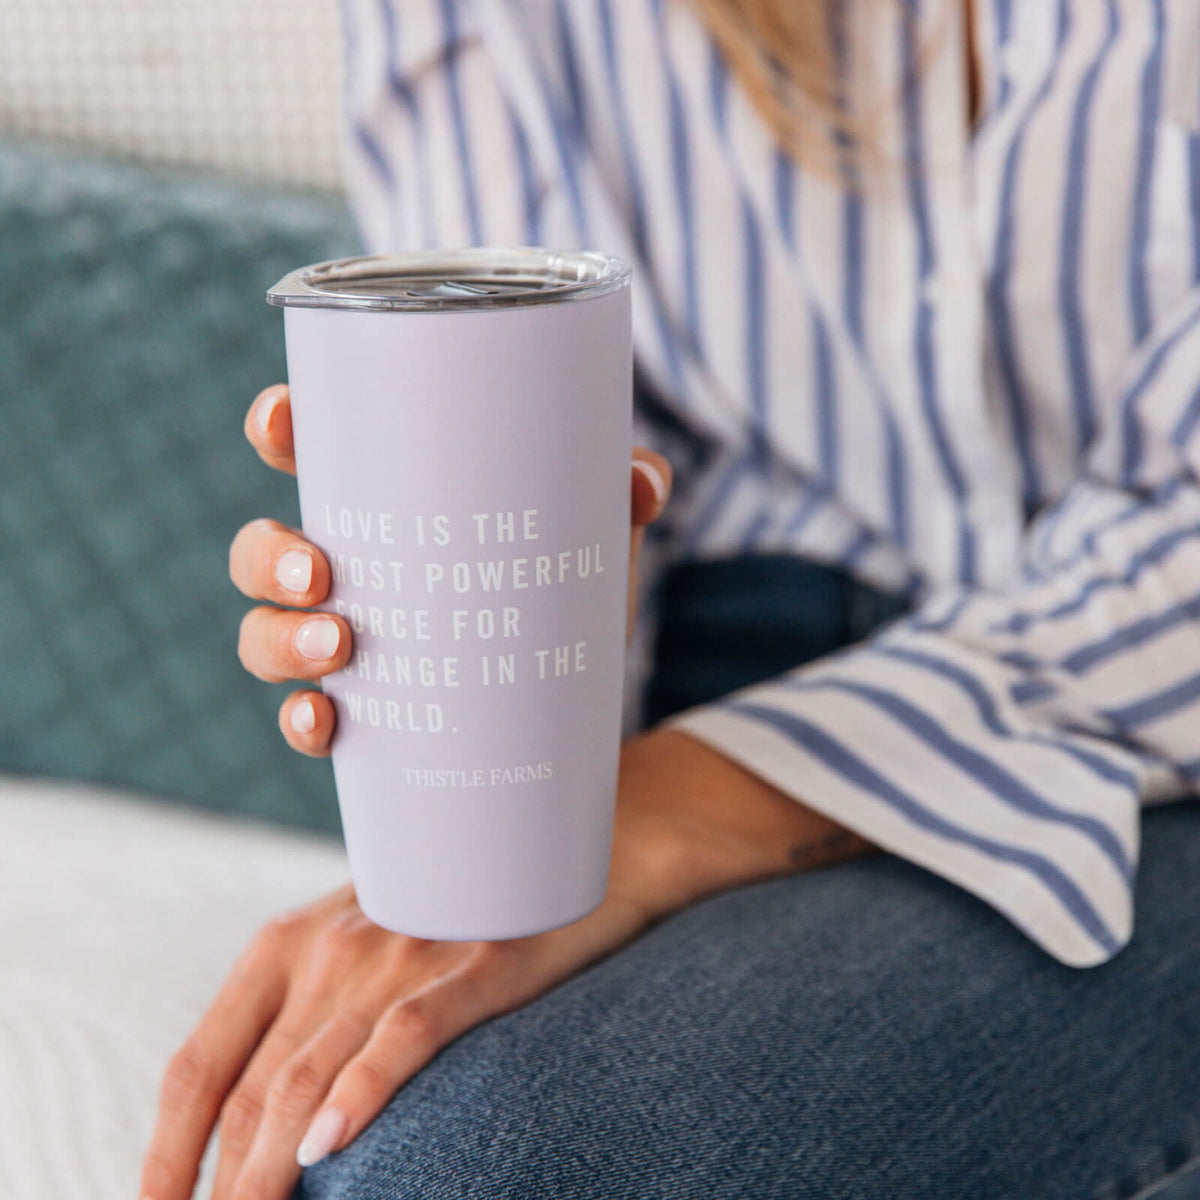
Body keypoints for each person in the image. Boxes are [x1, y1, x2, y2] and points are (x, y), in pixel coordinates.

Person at [139, 1, 1200, 1197]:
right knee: (365, 1144)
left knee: (472, 1178)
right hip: (695, 689)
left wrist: (694, 801)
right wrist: (480, 683)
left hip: (1144, 736)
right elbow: (522, 401)